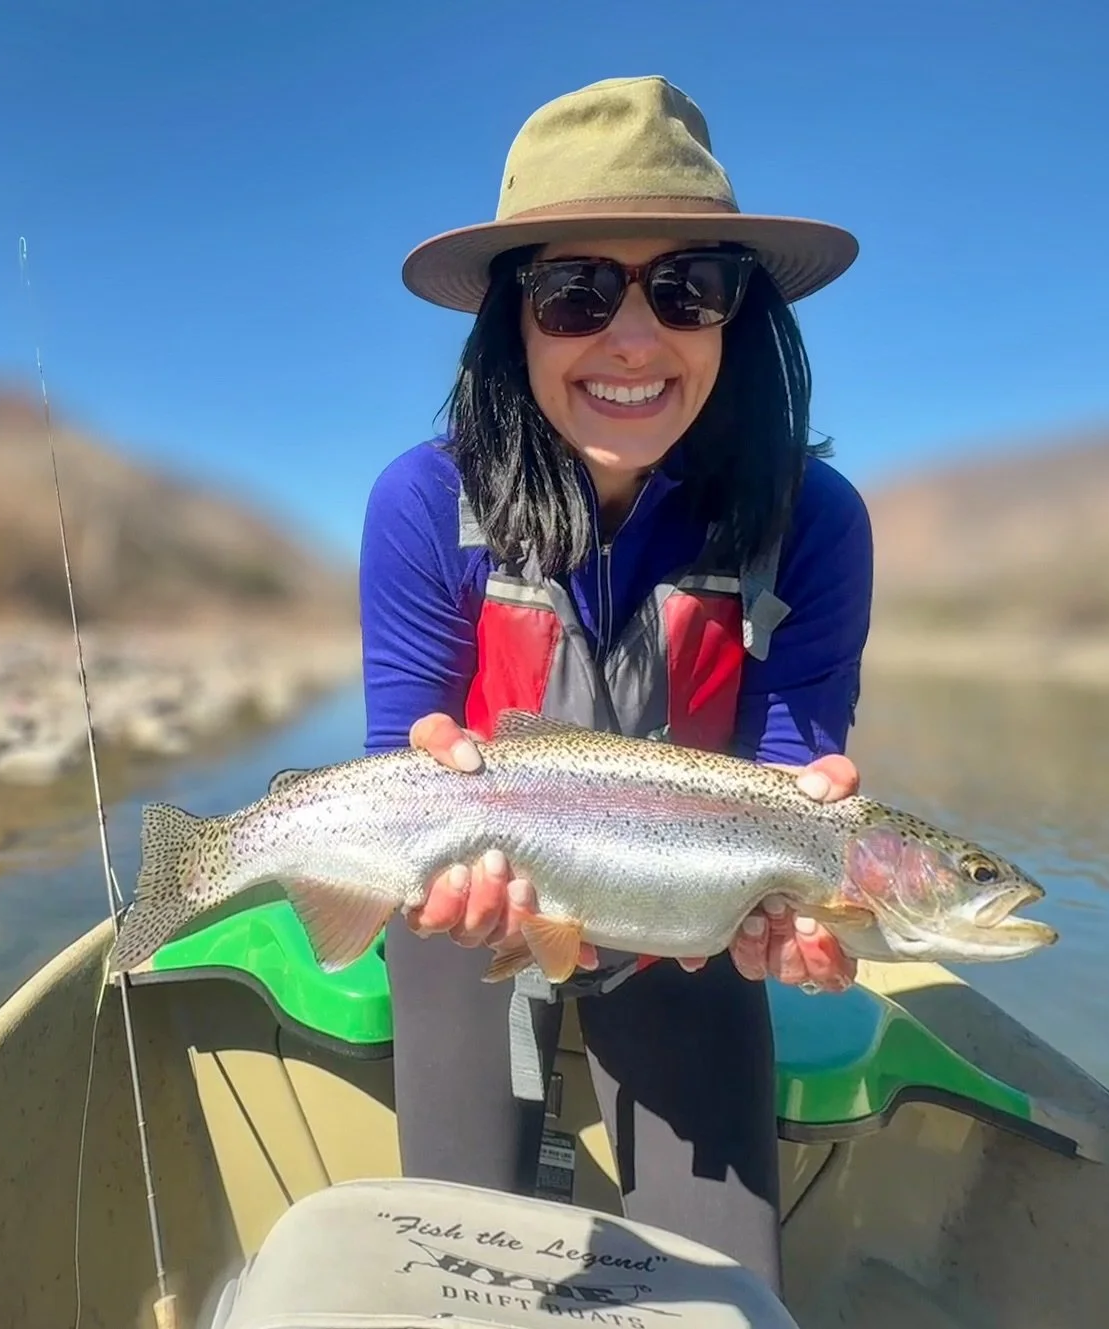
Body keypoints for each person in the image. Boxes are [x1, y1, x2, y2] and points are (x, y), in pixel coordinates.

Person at [357, 75, 872, 1293]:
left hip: (683, 923)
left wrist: (802, 902)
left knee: (721, 1290)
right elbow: (404, 764)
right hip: (471, 896)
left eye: (689, 288)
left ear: (738, 318)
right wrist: (433, 849)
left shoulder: (813, 521)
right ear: (512, 322)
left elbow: (800, 781)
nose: (634, 340)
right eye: (576, 291)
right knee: (457, 1269)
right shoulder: (423, 504)